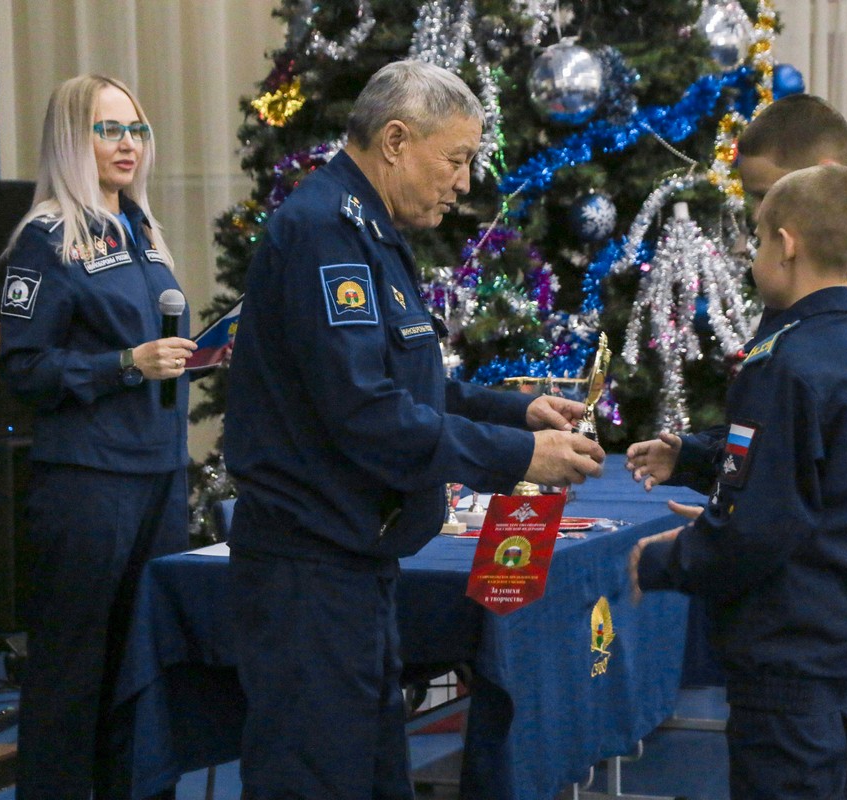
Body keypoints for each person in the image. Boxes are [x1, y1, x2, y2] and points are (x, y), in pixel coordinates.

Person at [223, 59, 605, 800]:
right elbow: (367, 414)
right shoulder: (325, 233)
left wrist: (514, 410)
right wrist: (520, 455)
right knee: (316, 782)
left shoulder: (369, 228)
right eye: (455, 159)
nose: (464, 183)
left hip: (354, 566)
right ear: (396, 141)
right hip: (310, 574)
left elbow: (404, 380)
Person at [626, 93, 847, 798]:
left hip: (801, 637)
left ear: (789, 240)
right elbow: (838, 467)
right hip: (843, 612)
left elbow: (787, 506)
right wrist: (717, 473)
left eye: (762, 220)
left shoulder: (838, 329)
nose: (748, 243)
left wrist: (680, 554)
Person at [0, 74, 196, 800]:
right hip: (89, 482)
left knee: (145, 671)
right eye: (108, 129)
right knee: (73, 675)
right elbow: (22, 368)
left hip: (160, 475)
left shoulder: (143, 231)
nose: (127, 144)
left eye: (136, 129)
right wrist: (124, 364)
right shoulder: (47, 239)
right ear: (70, 140)